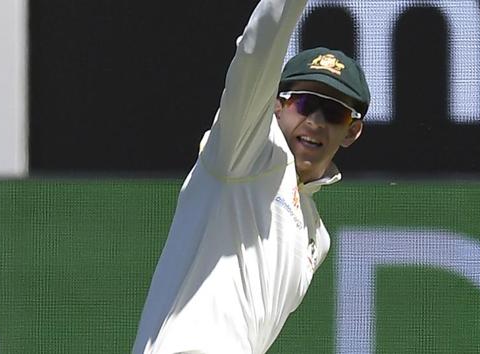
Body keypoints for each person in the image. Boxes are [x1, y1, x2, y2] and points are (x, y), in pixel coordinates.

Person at [132, 0, 370, 352]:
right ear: (276, 103)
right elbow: (257, 51)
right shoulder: (248, 150)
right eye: (304, 103)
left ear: (351, 132)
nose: (316, 122)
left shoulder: (316, 236)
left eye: (334, 112)